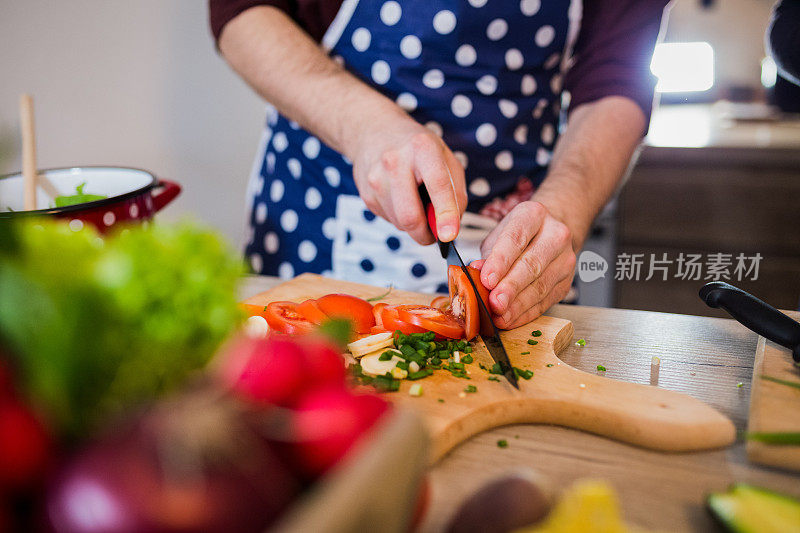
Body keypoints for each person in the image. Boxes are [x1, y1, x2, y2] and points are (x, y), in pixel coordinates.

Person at [210, 0, 669, 329]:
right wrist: (365, 126)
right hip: (322, 206)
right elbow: (242, 11)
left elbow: (619, 76)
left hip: (521, 222)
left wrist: (566, 206)